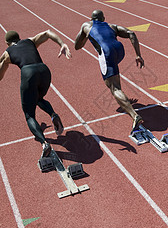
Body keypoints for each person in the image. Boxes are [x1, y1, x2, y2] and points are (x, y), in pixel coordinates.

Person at [0, 29, 71, 157]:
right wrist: (62, 44)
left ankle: (44, 143)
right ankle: (53, 114)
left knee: (29, 114)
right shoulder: (30, 41)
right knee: (38, 98)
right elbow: (48, 33)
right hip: (44, 70)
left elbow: (0, 75)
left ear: (7, 43)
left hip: (28, 73)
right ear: (19, 38)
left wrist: (3, 61)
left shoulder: (7, 53)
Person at [74, 9, 145, 133]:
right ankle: (124, 100)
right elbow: (131, 33)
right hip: (119, 50)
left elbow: (77, 46)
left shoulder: (86, 25)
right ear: (104, 19)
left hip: (106, 52)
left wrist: (86, 35)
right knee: (113, 79)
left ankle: (134, 116)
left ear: (91, 19)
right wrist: (138, 55)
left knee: (114, 88)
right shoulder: (111, 26)